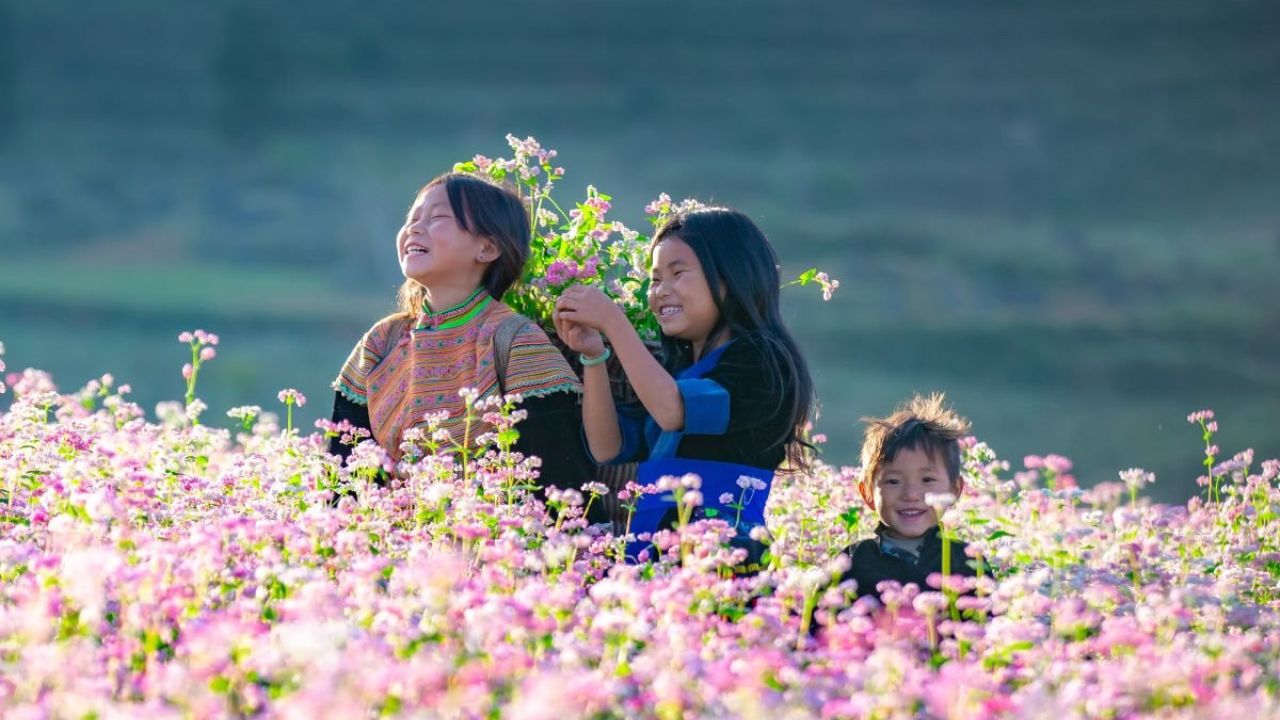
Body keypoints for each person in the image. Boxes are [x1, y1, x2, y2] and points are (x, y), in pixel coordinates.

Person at [552, 207, 815, 566]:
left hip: (721, 552)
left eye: (678, 274)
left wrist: (614, 322)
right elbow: (607, 447)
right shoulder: (675, 374)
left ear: (730, 277)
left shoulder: (763, 360)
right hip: (649, 548)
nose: (661, 291)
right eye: (656, 279)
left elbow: (674, 411)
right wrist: (595, 357)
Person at [329, 172, 597, 512]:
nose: (414, 228)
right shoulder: (381, 343)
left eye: (438, 217)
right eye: (412, 218)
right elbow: (343, 479)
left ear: (487, 248)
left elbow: (557, 484)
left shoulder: (516, 341)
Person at [839, 393, 977, 600]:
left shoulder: (967, 561)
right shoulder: (853, 561)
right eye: (893, 481)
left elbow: (986, 627)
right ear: (867, 493)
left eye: (927, 480)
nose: (911, 494)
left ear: (955, 489)